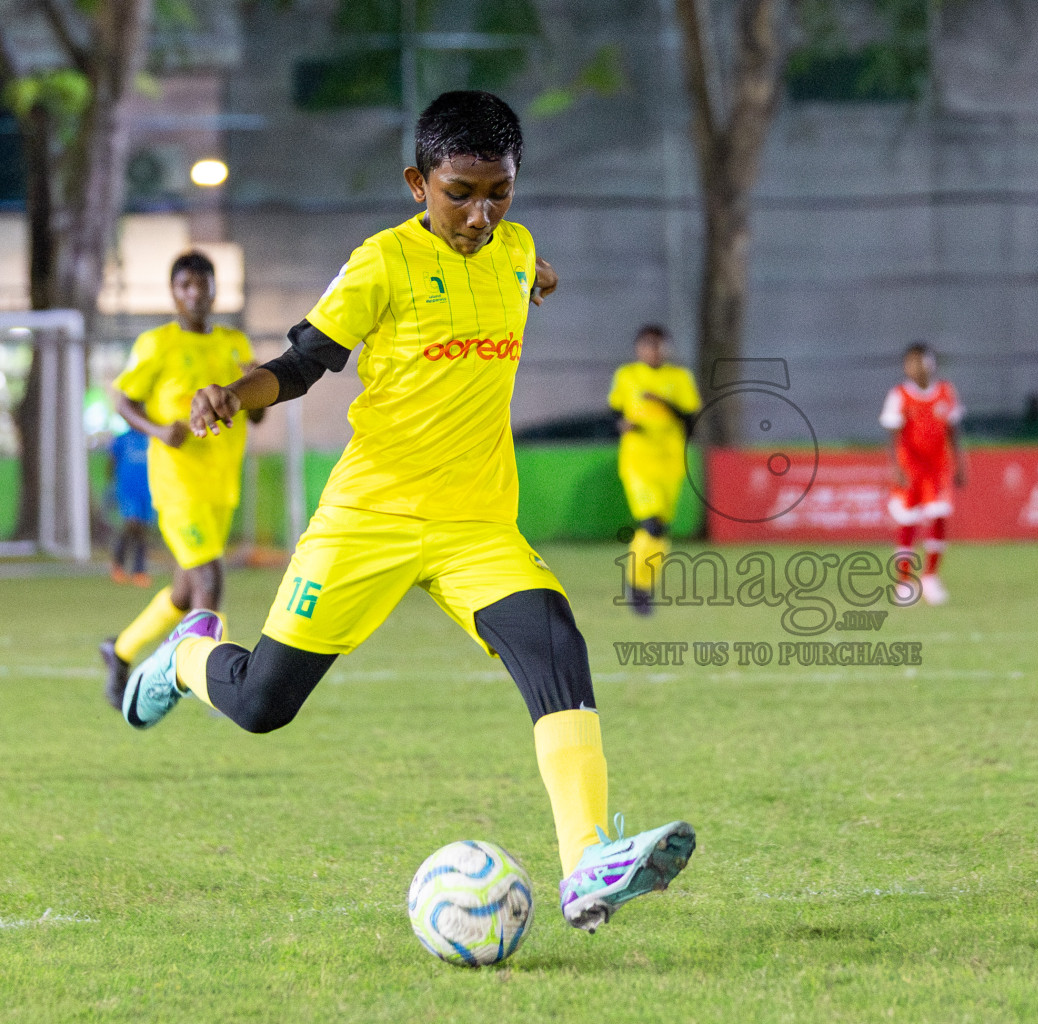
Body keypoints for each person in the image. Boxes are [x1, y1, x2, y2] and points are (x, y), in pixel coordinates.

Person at [117, 91, 694, 934]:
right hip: (369, 517)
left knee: (556, 643)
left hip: (476, 527)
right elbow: (305, 362)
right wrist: (233, 395)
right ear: (416, 182)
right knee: (261, 706)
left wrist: (535, 270)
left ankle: (587, 864)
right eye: (459, 192)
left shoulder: (515, 248)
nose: (480, 213)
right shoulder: (380, 264)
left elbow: (518, 262)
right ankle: (189, 656)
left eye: (499, 192)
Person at [100, 252, 260, 710]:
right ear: (173, 292)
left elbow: (258, 412)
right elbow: (124, 400)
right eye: (185, 285)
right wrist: (158, 430)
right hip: (177, 484)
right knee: (210, 578)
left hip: (220, 484)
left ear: (214, 289)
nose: (195, 293)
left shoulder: (233, 343)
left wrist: (253, 385)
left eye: (202, 284)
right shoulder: (158, 344)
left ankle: (121, 650)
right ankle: (213, 682)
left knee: (185, 591)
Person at [608, 324, 701, 614]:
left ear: (667, 347)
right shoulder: (627, 375)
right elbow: (614, 412)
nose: (652, 350)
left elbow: (691, 419)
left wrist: (663, 402)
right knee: (650, 523)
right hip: (638, 460)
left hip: (670, 461)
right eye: (646, 345)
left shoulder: (680, 378)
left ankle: (644, 585)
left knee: (660, 531)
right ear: (638, 348)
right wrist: (622, 425)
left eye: (657, 345)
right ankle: (638, 586)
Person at [880, 342, 966, 605]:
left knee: (938, 518)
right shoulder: (900, 395)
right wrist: (896, 469)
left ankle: (930, 577)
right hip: (911, 470)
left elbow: (953, 431)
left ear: (931, 363)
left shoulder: (945, 393)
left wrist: (960, 464)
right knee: (908, 523)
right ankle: (904, 582)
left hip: (938, 469)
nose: (915, 367)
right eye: (910, 362)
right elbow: (893, 436)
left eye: (919, 361)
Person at [107, 425, 154, 588]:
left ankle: (138, 571)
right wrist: (111, 487)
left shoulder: (151, 437)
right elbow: (111, 463)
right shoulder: (123, 439)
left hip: (147, 490)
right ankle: (121, 565)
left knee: (142, 528)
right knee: (132, 525)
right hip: (127, 490)